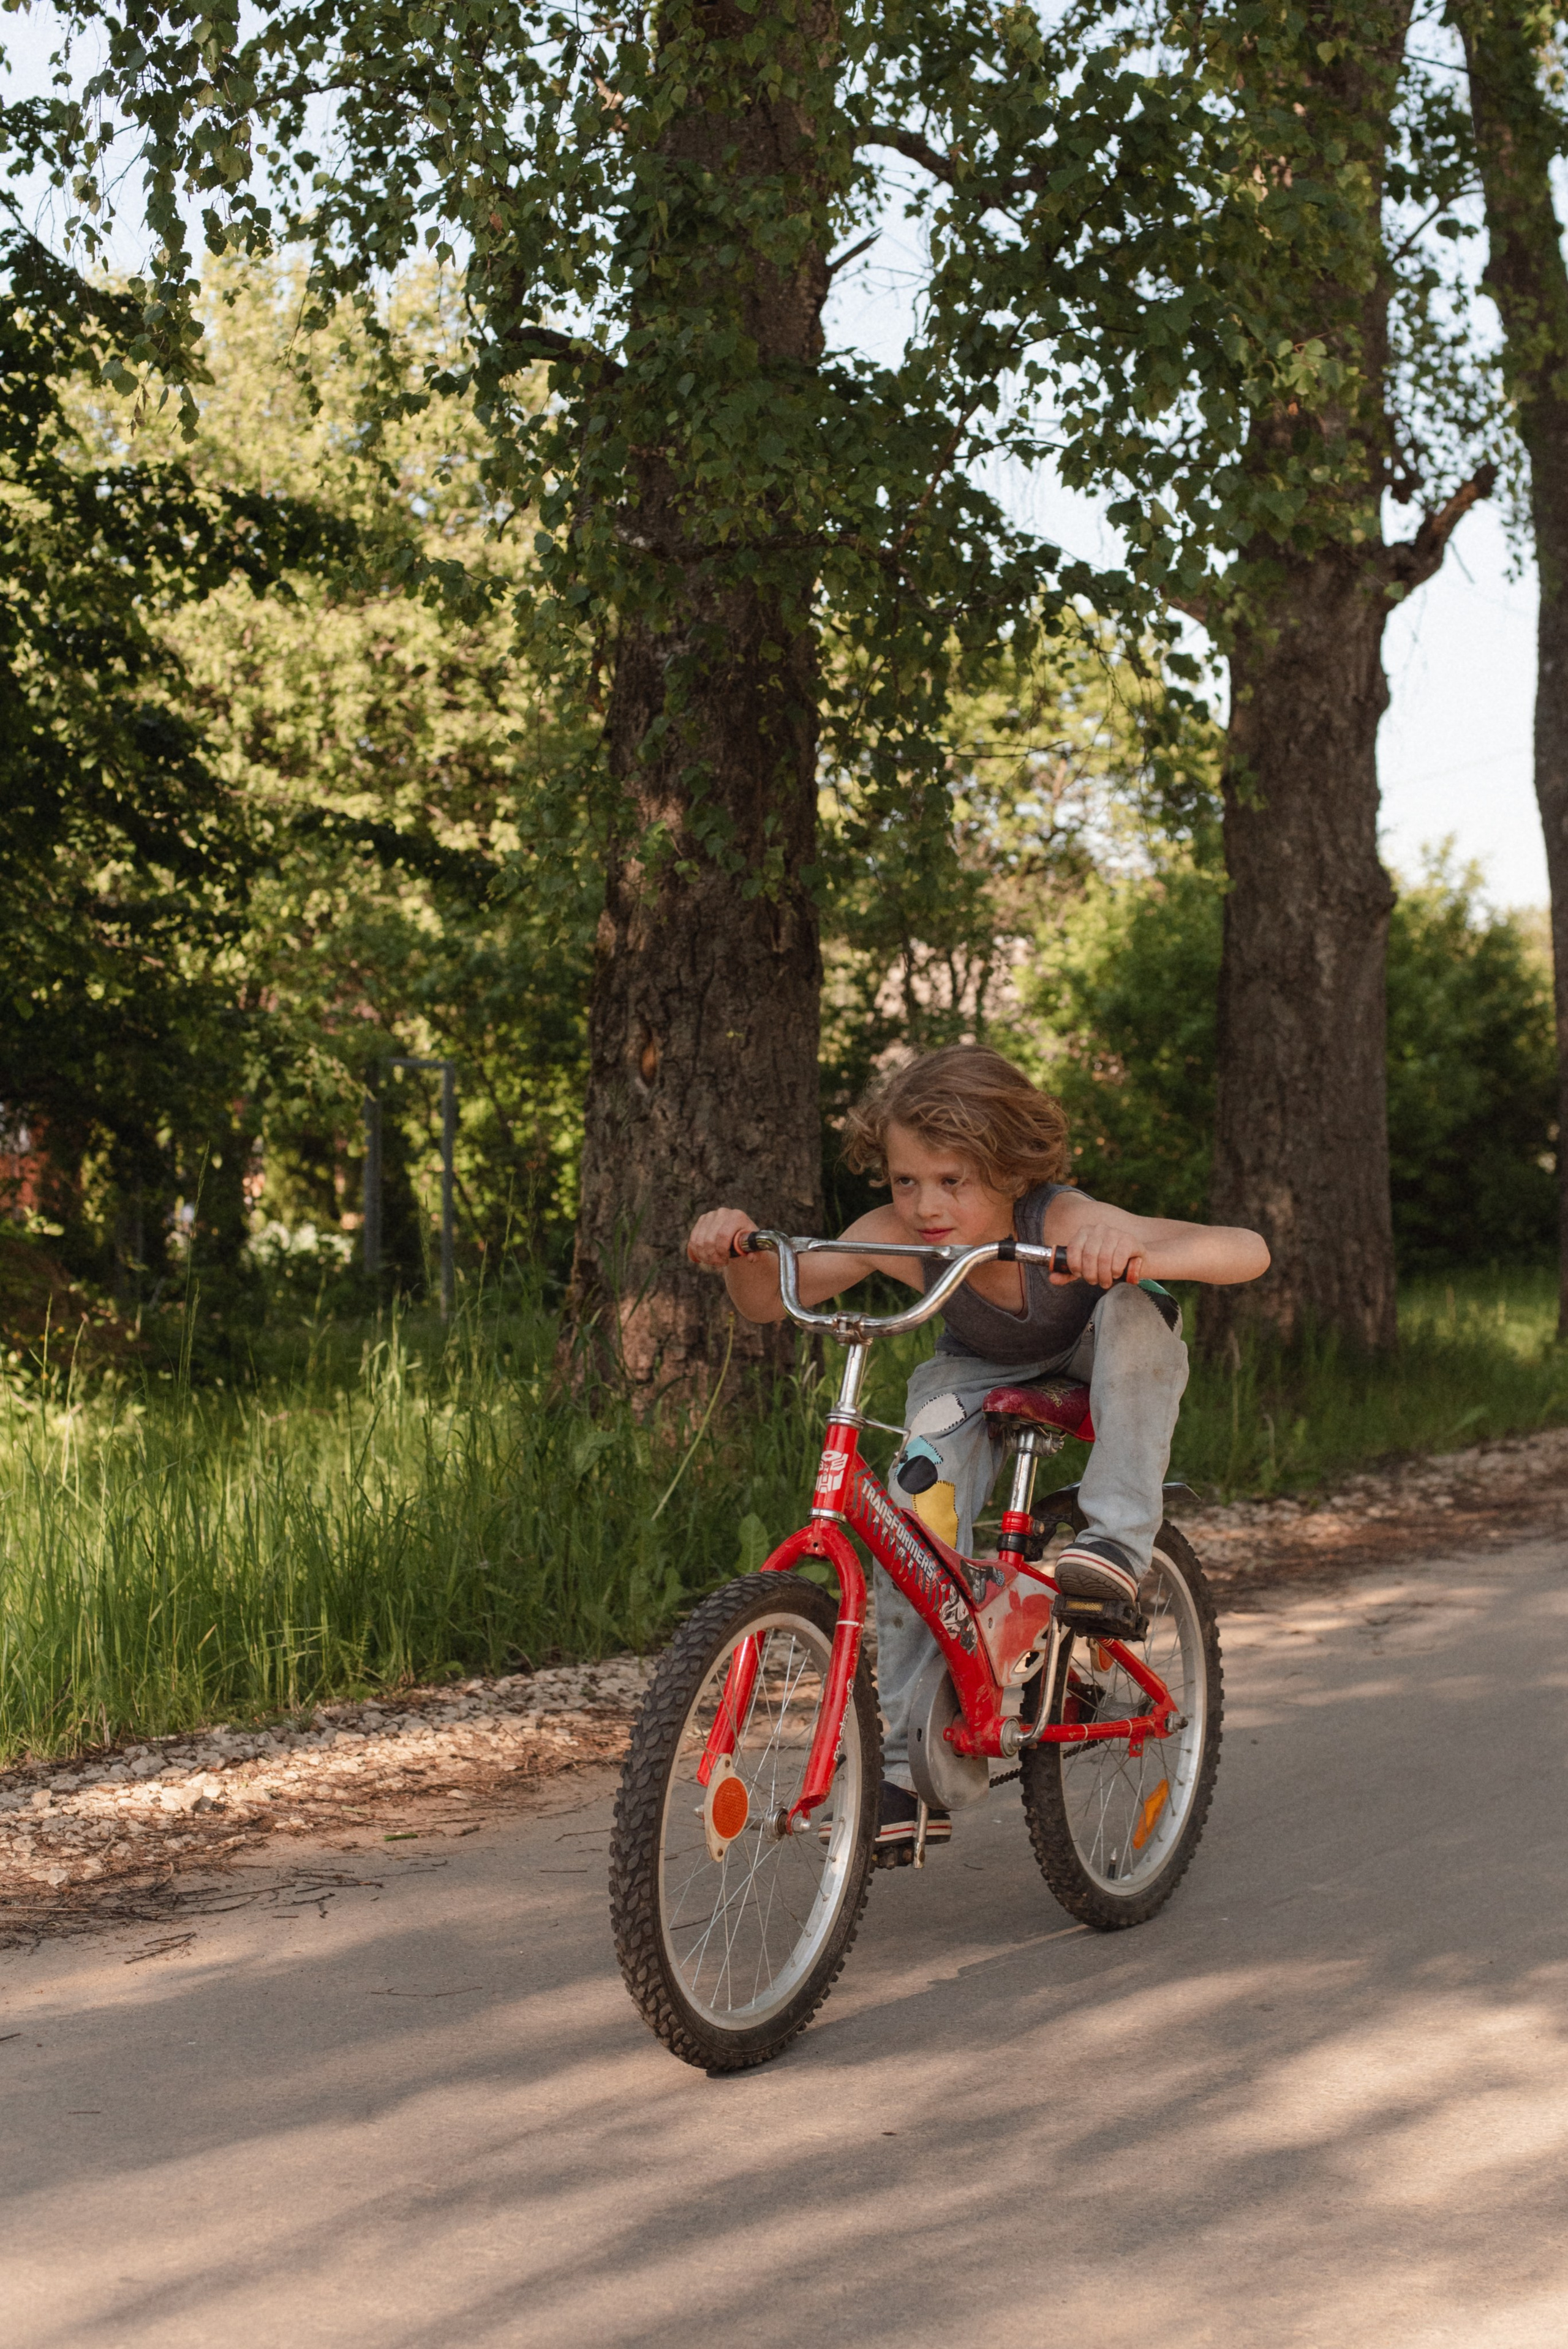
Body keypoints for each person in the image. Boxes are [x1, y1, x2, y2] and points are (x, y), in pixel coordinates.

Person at [685, 1043, 1269, 1859]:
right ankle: (914, 1767)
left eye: (952, 1181)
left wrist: (1129, 1252)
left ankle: (1115, 1543)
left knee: (1140, 1314)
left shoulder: (1057, 1218)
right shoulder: (897, 1232)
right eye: (905, 1181)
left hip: (1099, 1351)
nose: (925, 1205)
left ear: (1008, 1170)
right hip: (979, 1368)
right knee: (912, 1510)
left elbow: (1246, 1250)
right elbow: (771, 1301)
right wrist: (739, 1249)